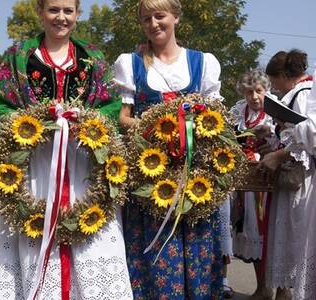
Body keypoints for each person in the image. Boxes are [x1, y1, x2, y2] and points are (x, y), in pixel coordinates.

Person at [0, 0, 133, 299]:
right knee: (33, 235)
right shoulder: (19, 57)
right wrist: (31, 123)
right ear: (40, 12)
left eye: (68, 11)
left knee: (91, 236)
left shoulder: (92, 58)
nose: (61, 17)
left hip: (81, 164)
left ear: (77, 14)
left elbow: (111, 105)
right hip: (36, 166)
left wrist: (86, 121)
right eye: (53, 10)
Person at [114, 0, 223, 298]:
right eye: (146, 18)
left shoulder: (203, 62)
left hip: (193, 172)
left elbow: (216, 117)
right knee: (154, 248)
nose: (153, 24)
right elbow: (123, 116)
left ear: (175, 17)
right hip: (151, 172)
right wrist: (155, 127)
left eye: (160, 16)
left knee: (196, 244)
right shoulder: (130, 63)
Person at [260, 49, 314, 300]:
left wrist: (279, 153)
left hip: (301, 179)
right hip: (296, 177)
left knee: (296, 237)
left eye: (274, 82)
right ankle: (284, 291)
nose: (275, 87)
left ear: (283, 75)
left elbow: (304, 142)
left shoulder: (303, 95)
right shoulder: (299, 93)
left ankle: (290, 292)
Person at [229, 69, 278, 300]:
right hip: (246, 183)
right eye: (249, 92)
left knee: (269, 233)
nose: (254, 97)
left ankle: (282, 290)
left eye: (258, 91)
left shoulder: (275, 111)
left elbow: (287, 139)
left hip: (268, 184)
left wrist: (270, 138)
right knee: (250, 233)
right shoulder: (239, 111)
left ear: (266, 90)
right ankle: (262, 288)